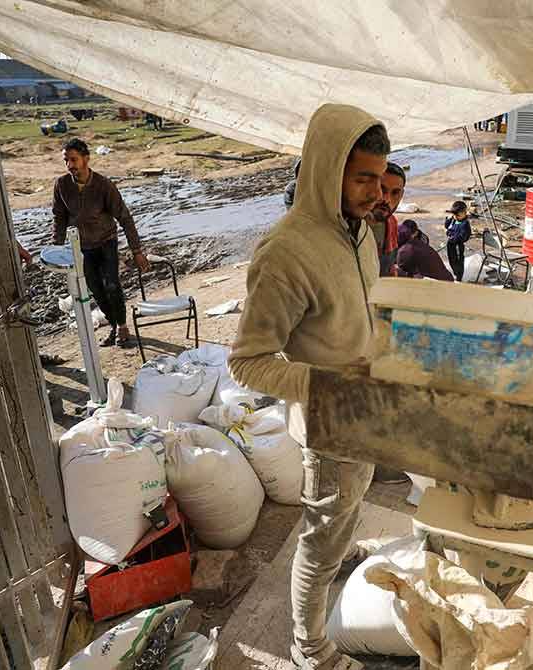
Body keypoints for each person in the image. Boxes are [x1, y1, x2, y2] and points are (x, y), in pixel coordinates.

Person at [228, 104, 390, 670]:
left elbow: (360, 314)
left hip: (369, 416)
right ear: (327, 170)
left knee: (344, 518)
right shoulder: (287, 252)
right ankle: (309, 647)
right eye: (363, 178)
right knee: (319, 545)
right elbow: (248, 362)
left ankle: (337, 561)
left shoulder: (358, 232)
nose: (378, 192)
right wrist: (331, 386)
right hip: (330, 427)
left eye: (381, 176)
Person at [52, 138, 148, 347]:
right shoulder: (61, 185)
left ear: (86, 159)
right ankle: (113, 325)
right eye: (66, 160)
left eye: (74, 160)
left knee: (112, 286)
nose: (69, 165)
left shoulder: (104, 185)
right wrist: (57, 248)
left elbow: (124, 217)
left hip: (106, 242)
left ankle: (122, 326)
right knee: (96, 290)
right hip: (81, 248)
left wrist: (137, 250)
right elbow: (59, 217)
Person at [368, 162, 405, 276]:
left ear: (401, 195)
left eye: (395, 193)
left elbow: (390, 266)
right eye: (382, 189)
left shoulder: (391, 222)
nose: (387, 199)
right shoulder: (350, 226)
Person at [444, 200, 472, 281]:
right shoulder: (453, 220)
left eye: (458, 215)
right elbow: (446, 226)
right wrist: (448, 219)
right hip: (450, 244)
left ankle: (459, 277)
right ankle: (455, 273)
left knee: (459, 261)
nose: (456, 217)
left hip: (458, 246)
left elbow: (464, 236)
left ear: (465, 213)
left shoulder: (465, 224)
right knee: (451, 259)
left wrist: (454, 237)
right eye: (454, 215)